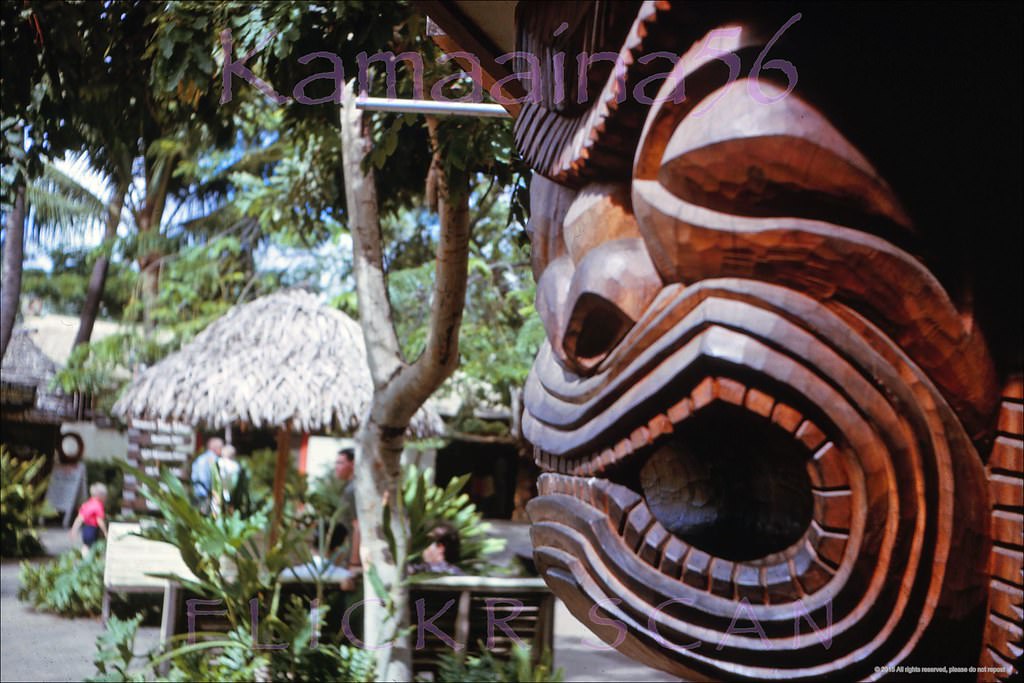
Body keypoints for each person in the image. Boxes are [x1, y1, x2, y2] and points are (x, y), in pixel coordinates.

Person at [69, 483, 108, 556]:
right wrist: (105, 532)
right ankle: (88, 560)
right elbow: (99, 520)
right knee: (92, 546)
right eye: (105, 496)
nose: (106, 498)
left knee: (86, 545)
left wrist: (74, 530)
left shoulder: (87, 504)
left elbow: (79, 518)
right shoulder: (98, 506)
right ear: (100, 496)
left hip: (86, 528)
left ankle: (84, 558)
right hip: (92, 529)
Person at [190, 437, 223, 512]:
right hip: (208, 496)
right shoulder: (215, 460)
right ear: (215, 448)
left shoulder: (200, 459)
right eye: (221, 447)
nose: (222, 450)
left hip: (197, 493)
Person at [211, 444, 241, 516]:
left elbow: (214, 482)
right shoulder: (237, 466)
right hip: (231, 495)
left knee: (217, 515)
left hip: (218, 493)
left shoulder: (218, 463)